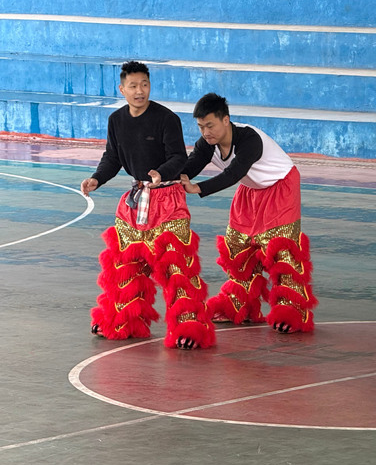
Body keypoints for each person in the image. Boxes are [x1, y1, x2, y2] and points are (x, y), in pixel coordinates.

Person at [81, 61, 215, 350]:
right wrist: (96, 179)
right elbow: (113, 158)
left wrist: (160, 174)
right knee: (126, 264)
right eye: (133, 86)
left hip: (167, 199)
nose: (139, 90)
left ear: (149, 85)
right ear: (122, 89)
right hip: (136, 200)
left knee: (176, 266)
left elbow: (179, 157)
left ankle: (189, 326)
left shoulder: (166, 118)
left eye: (144, 84)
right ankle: (123, 319)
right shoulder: (116, 120)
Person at [180, 93, 315, 334]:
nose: (205, 132)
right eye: (200, 127)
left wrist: (198, 188)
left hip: (279, 185)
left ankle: (291, 309)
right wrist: (162, 177)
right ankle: (239, 303)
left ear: (226, 120)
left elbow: (233, 173)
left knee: (279, 249)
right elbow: (187, 169)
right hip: (251, 188)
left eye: (210, 125)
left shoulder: (249, 138)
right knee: (238, 247)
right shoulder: (206, 145)